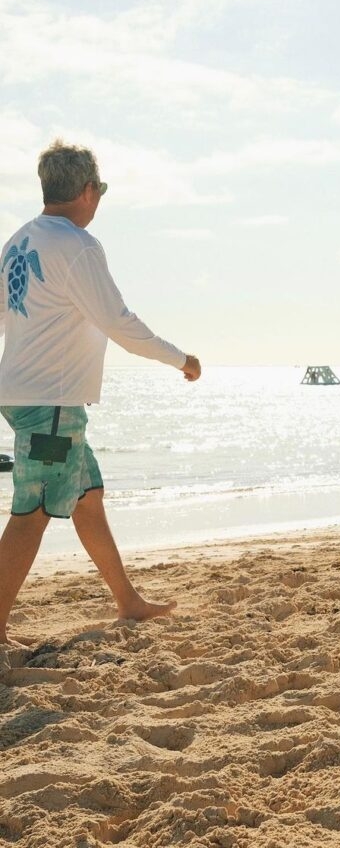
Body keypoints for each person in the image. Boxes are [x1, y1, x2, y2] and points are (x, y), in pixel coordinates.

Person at [0, 141, 201, 646]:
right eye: (101, 190)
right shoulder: (77, 245)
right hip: (51, 404)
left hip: (28, 396)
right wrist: (182, 360)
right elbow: (118, 322)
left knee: (87, 497)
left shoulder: (19, 242)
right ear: (88, 191)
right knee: (33, 513)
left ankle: (127, 601)